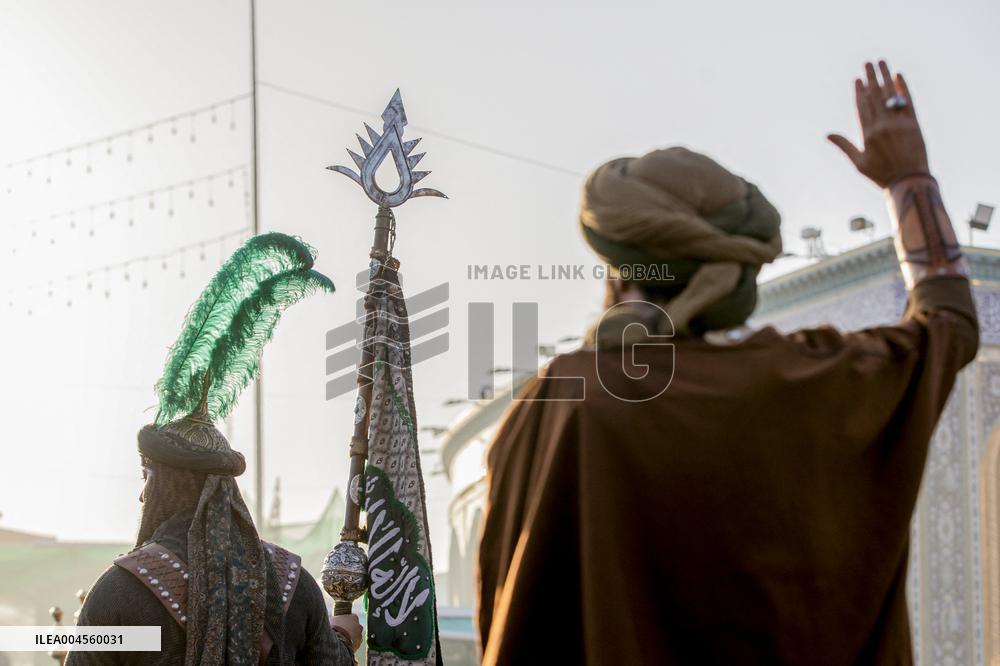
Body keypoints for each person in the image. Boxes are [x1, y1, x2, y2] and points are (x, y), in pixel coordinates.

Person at [476, 61, 978, 665]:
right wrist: (908, 180)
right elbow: (947, 322)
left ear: (619, 268)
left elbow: (511, 609)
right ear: (739, 269)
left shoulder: (565, 404)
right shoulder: (819, 377)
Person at [67, 233, 362, 665]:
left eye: (147, 477)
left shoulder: (122, 592)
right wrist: (341, 637)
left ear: (167, 483)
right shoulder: (294, 585)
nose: (142, 494)